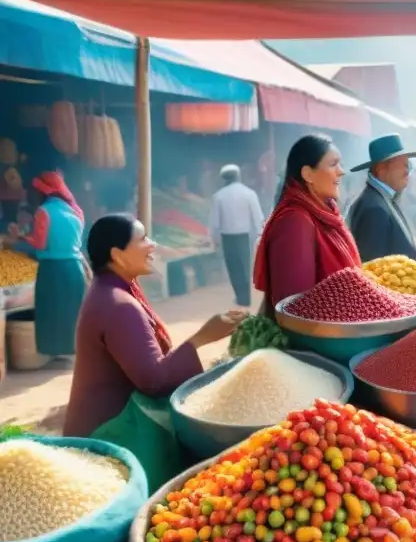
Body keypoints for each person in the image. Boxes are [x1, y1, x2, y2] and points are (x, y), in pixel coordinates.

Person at [64, 215, 244, 479]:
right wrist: (202, 337)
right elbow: (153, 380)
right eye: (143, 239)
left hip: (103, 423)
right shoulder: (118, 305)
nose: (152, 245)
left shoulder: (111, 291)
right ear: (118, 255)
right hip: (109, 434)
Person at [253, 134, 361, 315]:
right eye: (333, 164)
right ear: (308, 174)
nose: (341, 171)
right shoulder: (295, 222)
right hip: (314, 338)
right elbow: (295, 307)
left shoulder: (326, 213)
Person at [2, 171, 88, 357]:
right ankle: (73, 351)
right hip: (75, 268)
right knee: (72, 311)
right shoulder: (75, 210)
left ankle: (53, 352)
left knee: (51, 311)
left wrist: (19, 237)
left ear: (41, 191)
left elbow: (39, 243)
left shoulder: (44, 211)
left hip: (53, 269)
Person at [346, 134, 416, 262]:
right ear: (381, 169)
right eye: (403, 165)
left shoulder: (381, 199)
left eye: (408, 165)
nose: (407, 171)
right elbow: (373, 269)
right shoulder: (374, 209)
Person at [209, 164, 264, 307]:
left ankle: (240, 297)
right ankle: (246, 298)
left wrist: (213, 238)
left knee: (233, 268)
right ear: (238, 176)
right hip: (243, 237)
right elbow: (258, 217)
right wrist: (261, 234)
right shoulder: (249, 193)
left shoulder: (219, 196)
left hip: (227, 238)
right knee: (245, 266)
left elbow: (214, 221)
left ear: (224, 179)